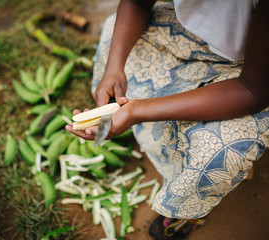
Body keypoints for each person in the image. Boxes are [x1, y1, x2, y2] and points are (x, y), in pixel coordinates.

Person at [66, 0, 269, 239]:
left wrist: (136, 111)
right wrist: (114, 67)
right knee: (114, 31)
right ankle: (144, 128)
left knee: (219, 152)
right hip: (199, 39)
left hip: (257, 75)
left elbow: (253, 90)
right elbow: (137, 3)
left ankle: (189, 207)